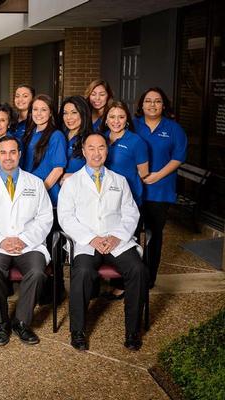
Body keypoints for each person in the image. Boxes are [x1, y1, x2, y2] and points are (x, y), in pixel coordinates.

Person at [57, 133, 148, 351]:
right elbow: (66, 217)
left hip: (116, 240)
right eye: (91, 148)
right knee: (82, 272)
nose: (96, 153)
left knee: (138, 270)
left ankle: (133, 331)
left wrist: (117, 236)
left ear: (107, 151)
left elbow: (131, 213)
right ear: (84, 151)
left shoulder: (119, 180)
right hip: (87, 242)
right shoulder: (72, 182)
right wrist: (92, 238)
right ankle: (78, 331)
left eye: (101, 148)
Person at [0, 136, 53, 346]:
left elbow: (45, 218)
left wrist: (24, 239)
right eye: (4, 152)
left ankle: (22, 322)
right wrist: (0, 241)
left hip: (29, 244)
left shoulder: (35, 183)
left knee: (37, 272)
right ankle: (2, 322)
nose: (8, 157)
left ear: (20, 154)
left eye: (13, 152)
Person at [134, 87, 187, 288]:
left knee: (153, 236)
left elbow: (178, 157)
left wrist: (157, 175)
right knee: (130, 234)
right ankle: (128, 277)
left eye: (157, 101)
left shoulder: (173, 128)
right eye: (148, 101)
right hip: (134, 190)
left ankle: (148, 277)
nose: (152, 105)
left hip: (160, 191)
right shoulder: (133, 125)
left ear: (163, 105)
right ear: (141, 105)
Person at [20, 94, 67, 207]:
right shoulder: (30, 133)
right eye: (35, 109)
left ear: (50, 113)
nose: (38, 113)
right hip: (28, 192)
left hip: (46, 194)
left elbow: (58, 170)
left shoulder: (56, 136)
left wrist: (39, 192)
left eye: (43, 110)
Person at [102, 101, 149, 208]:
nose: (116, 121)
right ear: (106, 119)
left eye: (121, 117)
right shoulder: (101, 138)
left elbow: (143, 173)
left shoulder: (136, 141)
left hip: (128, 197)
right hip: (105, 196)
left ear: (127, 119)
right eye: (112, 117)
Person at [59, 95, 93, 184]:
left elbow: (98, 172)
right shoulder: (59, 135)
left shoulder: (91, 139)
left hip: (79, 188)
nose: (68, 117)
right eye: (65, 113)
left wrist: (72, 176)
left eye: (74, 112)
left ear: (83, 114)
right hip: (56, 189)